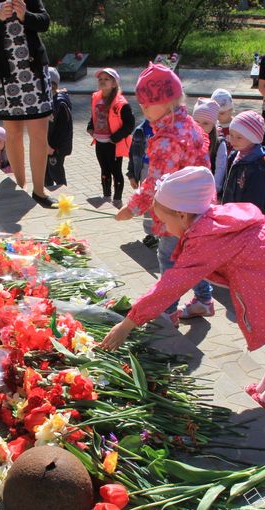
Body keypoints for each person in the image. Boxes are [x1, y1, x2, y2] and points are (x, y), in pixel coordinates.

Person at [100, 167, 265, 418]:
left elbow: (170, 285)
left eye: (164, 222)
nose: (163, 228)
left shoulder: (204, 238)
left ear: (183, 214)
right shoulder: (211, 218)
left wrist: (128, 324)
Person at [114, 63, 212, 323]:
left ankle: (167, 313)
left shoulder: (167, 139)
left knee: (168, 260)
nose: (142, 109)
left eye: (147, 104)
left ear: (167, 102)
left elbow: (156, 184)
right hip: (197, 209)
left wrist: (131, 209)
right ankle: (204, 299)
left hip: (175, 215)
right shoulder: (188, 124)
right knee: (192, 257)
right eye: (141, 103)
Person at [0, 0, 53, 206]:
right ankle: (21, 186)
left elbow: (44, 22)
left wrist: (26, 16)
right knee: (13, 133)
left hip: (33, 73)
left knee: (39, 134)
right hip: (3, 76)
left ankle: (40, 191)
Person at [87, 68, 134, 205]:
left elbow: (129, 125)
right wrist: (90, 126)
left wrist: (115, 137)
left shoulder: (121, 103)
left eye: (106, 79)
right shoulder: (96, 97)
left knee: (116, 171)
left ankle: (117, 199)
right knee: (104, 169)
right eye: (100, 79)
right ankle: (106, 195)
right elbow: (94, 115)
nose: (102, 81)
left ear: (114, 83)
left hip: (114, 144)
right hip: (100, 142)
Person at [221, 110, 265, 211]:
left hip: (245, 217)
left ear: (253, 138)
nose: (233, 140)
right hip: (230, 211)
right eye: (231, 135)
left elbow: (256, 200)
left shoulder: (257, 166)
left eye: (239, 137)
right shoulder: (235, 155)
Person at [125, 117, 157, 248]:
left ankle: (164, 233)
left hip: (164, 169)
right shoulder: (141, 130)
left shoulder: (168, 127)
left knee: (163, 203)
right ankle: (151, 234)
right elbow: (133, 153)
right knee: (147, 201)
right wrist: (132, 174)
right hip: (145, 168)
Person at [192, 98, 228, 197]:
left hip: (208, 190)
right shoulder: (188, 138)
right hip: (190, 188)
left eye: (206, 123)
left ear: (213, 124)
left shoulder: (219, 143)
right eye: (197, 122)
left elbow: (220, 170)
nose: (200, 126)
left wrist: (213, 192)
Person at [45, 67, 72, 190]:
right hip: (46, 145)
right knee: (45, 173)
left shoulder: (60, 104)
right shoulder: (48, 100)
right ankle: (47, 193)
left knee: (56, 172)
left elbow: (62, 129)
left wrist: (52, 147)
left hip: (56, 147)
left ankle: (64, 198)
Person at [211, 88, 234, 155]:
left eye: (221, 113)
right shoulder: (212, 126)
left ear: (231, 109)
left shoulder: (236, 126)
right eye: (215, 112)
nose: (218, 116)